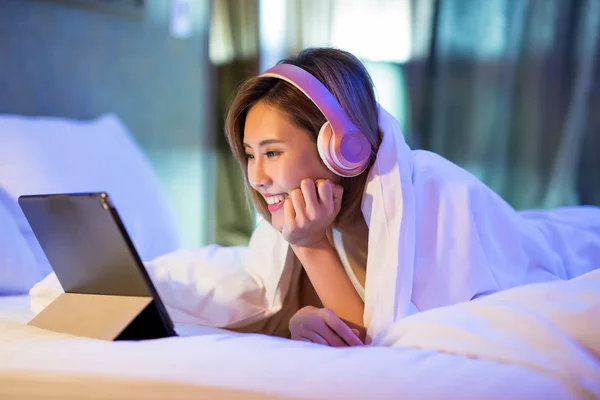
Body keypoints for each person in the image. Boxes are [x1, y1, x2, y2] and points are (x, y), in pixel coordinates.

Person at [219, 47, 600, 347]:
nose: (257, 177)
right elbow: (351, 325)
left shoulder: (434, 193)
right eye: (250, 155)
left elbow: (382, 347)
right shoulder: (308, 217)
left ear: (338, 146)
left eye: (271, 153)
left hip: (578, 243)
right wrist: (297, 322)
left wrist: (310, 246)